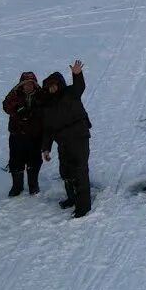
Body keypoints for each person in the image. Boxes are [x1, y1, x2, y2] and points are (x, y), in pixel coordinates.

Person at [41, 61, 91, 218]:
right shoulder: (47, 106)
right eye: (49, 86)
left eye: (55, 85)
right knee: (66, 172)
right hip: (62, 142)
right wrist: (46, 148)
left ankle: (83, 206)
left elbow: (80, 86)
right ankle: (72, 198)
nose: (53, 88)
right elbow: (47, 129)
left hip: (78, 138)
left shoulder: (71, 93)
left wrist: (77, 74)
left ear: (60, 84)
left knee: (80, 172)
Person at [2, 72, 44, 197]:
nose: (28, 86)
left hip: (35, 135)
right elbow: (5, 106)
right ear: (21, 85)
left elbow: (47, 108)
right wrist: (17, 111)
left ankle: (33, 184)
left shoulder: (40, 95)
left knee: (34, 160)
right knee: (16, 161)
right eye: (25, 84)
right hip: (17, 134)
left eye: (31, 83)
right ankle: (17, 186)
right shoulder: (15, 94)